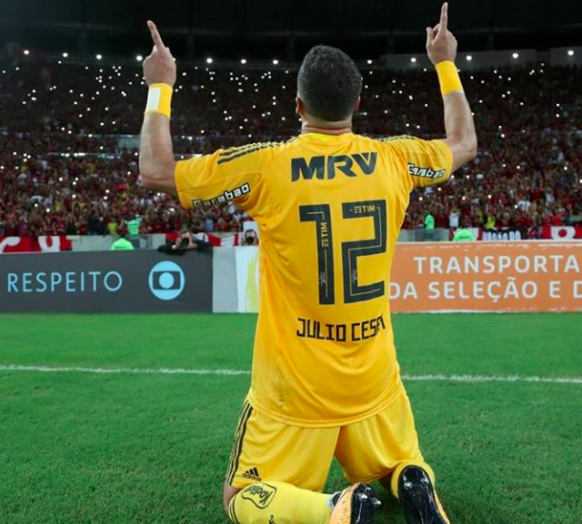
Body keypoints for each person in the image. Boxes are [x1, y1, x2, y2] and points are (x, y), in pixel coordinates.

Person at [139, 3, 476, 524]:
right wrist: (445, 63)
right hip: (373, 379)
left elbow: (156, 170)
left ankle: (336, 507)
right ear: (357, 103)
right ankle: (411, 477)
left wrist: (160, 85)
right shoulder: (395, 159)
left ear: (298, 104)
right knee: (396, 461)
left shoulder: (267, 166)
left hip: (294, 391)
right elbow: (464, 143)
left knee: (240, 497)